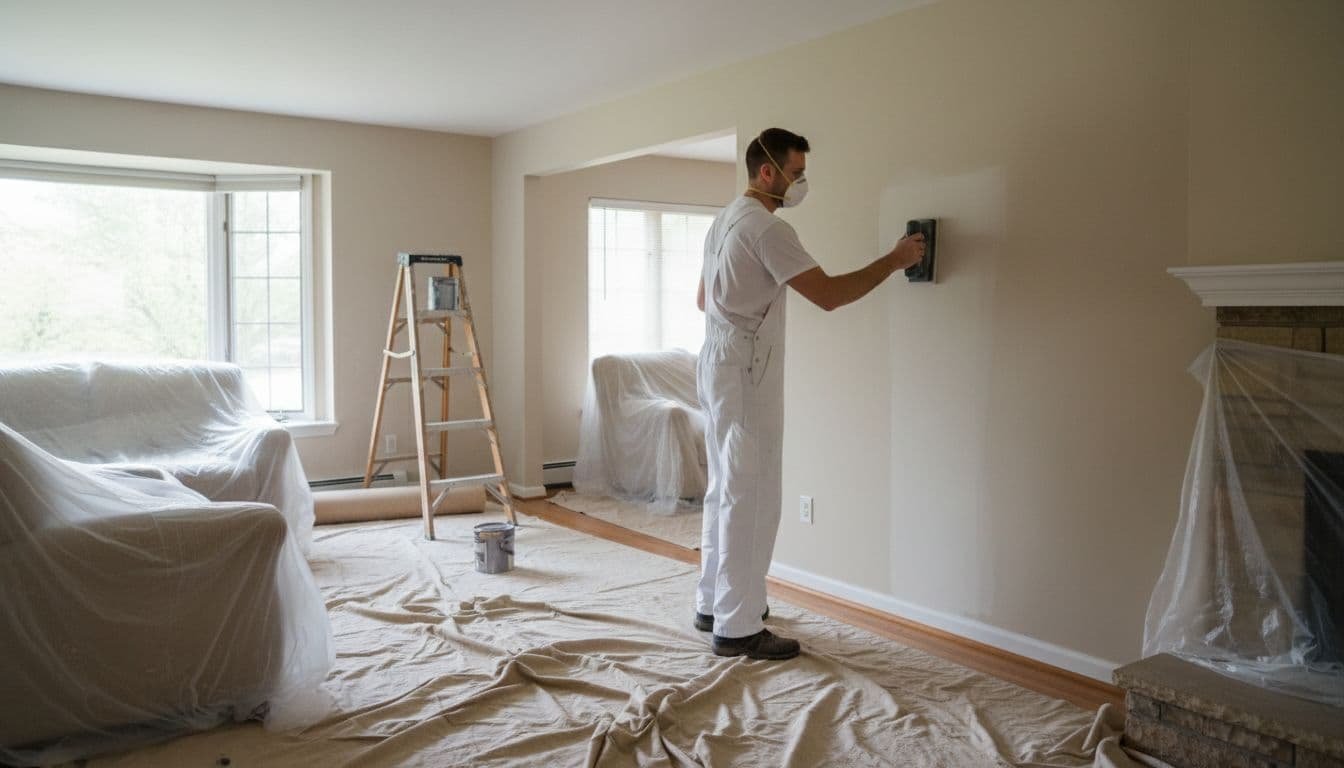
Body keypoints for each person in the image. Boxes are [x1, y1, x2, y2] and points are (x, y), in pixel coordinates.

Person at [694, 128, 926, 660]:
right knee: (751, 497)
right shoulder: (768, 229)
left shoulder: (725, 218)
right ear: (768, 171)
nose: (800, 185)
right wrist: (894, 260)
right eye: (796, 174)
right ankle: (737, 627)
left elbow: (703, 297)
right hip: (746, 371)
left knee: (724, 487)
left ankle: (713, 602)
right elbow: (829, 295)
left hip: (715, 361)